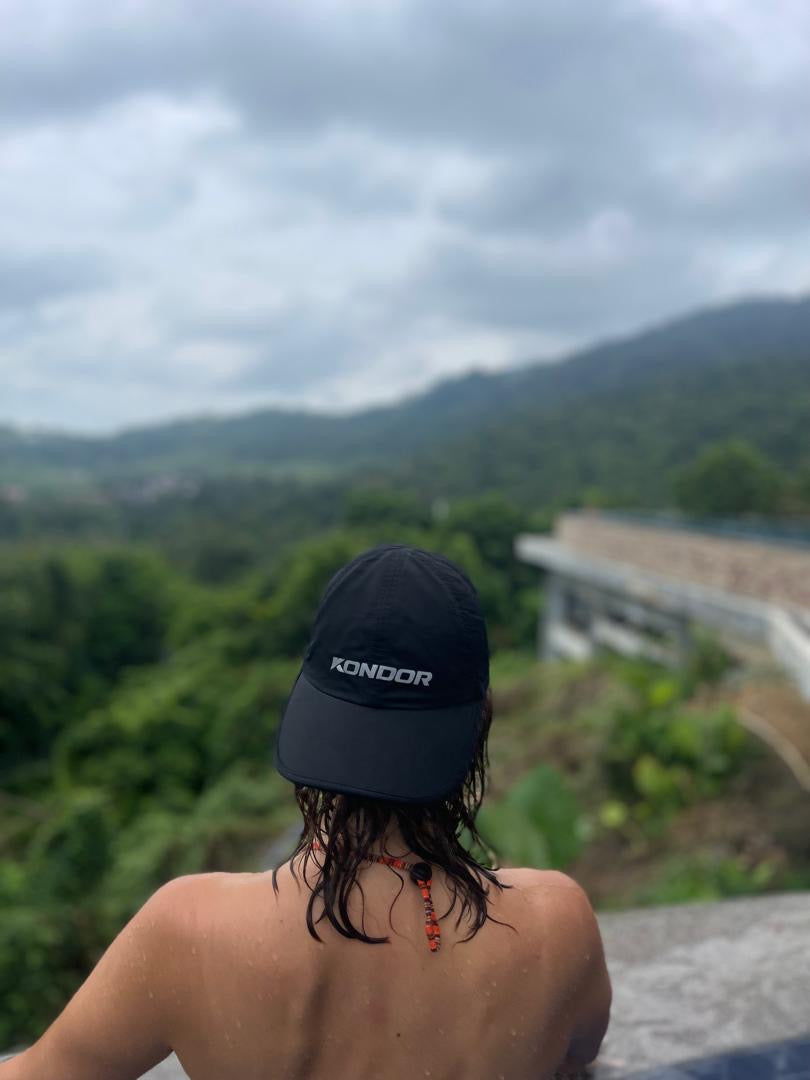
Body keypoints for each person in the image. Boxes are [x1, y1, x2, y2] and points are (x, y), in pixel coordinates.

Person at [0, 543, 611, 1080]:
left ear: (310, 706)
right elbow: (576, 1053)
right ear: (479, 720)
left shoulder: (187, 932)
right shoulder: (558, 926)